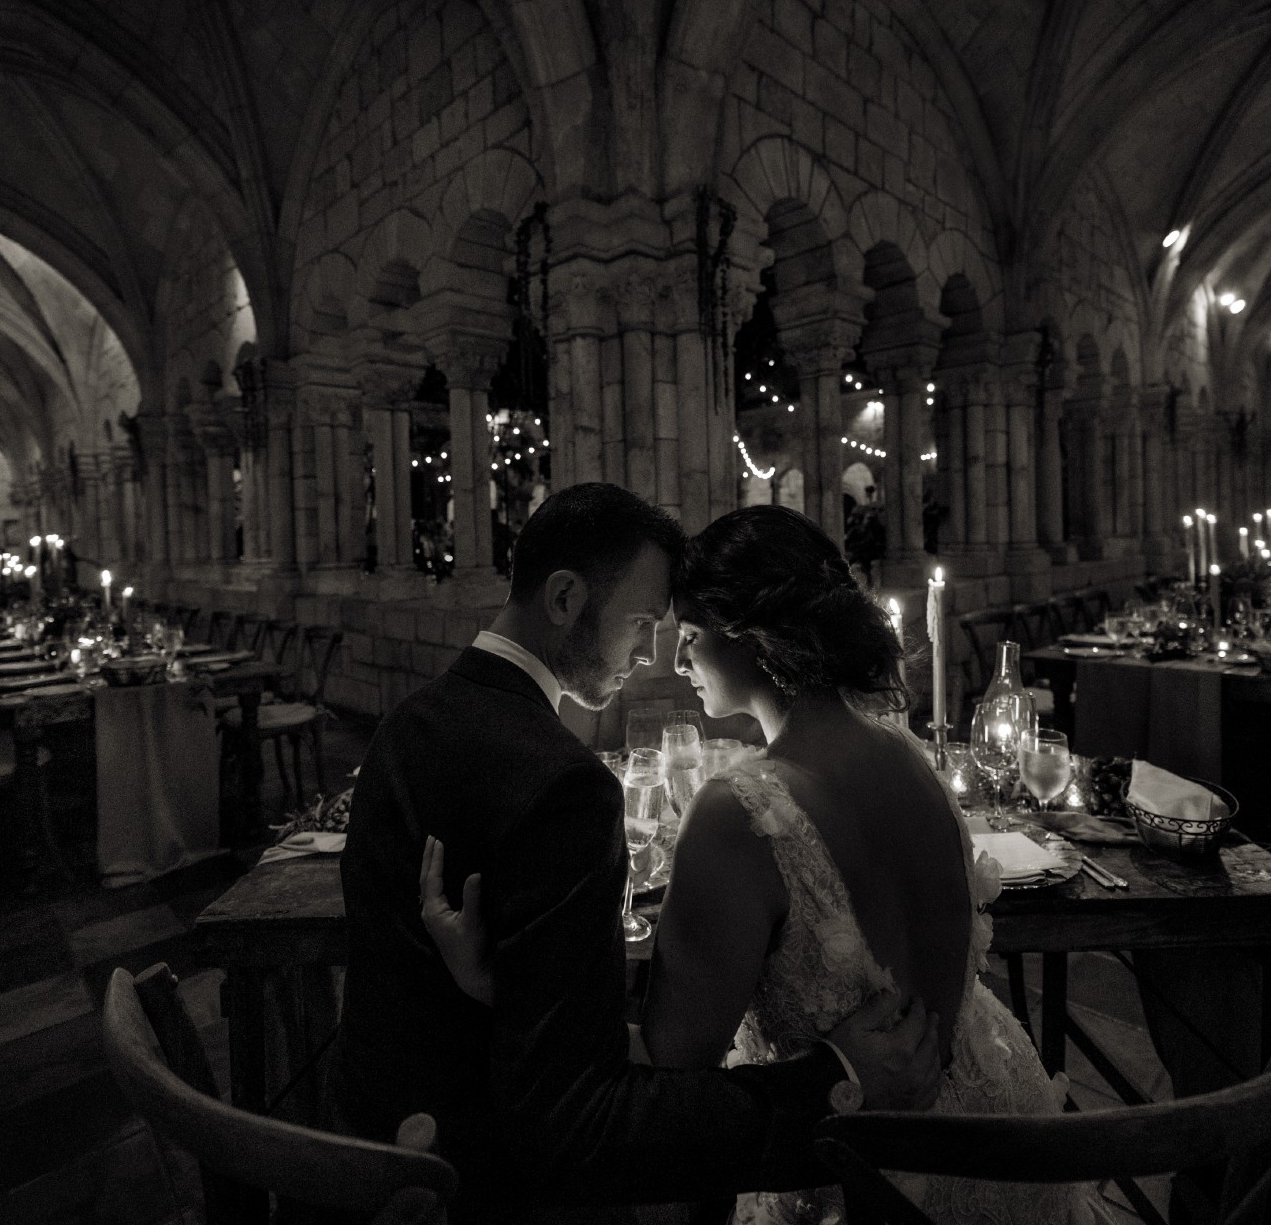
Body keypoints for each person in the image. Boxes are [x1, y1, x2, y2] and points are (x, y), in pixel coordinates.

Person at [424, 505, 1106, 1225]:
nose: (676, 662)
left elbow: (667, 1064)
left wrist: (511, 990)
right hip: (1002, 1145)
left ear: (750, 636)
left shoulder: (739, 813)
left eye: (690, 637)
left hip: (866, 1179)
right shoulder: (911, 756)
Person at [335, 485, 943, 1223]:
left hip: (374, 1156)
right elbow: (580, 1120)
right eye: (644, 623)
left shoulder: (401, 727)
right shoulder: (564, 784)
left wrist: (506, 987)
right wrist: (832, 1082)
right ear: (565, 598)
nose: (654, 653)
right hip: (486, 1187)